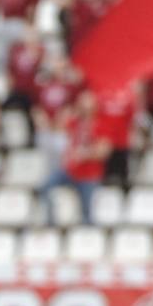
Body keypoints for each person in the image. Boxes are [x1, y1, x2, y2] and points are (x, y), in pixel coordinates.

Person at [40, 90, 109, 226]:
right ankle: (51, 221)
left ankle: (87, 238)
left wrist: (83, 154)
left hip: (89, 174)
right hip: (71, 170)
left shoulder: (102, 125)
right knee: (45, 186)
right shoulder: (75, 122)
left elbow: (103, 151)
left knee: (87, 213)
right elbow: (59, 128)